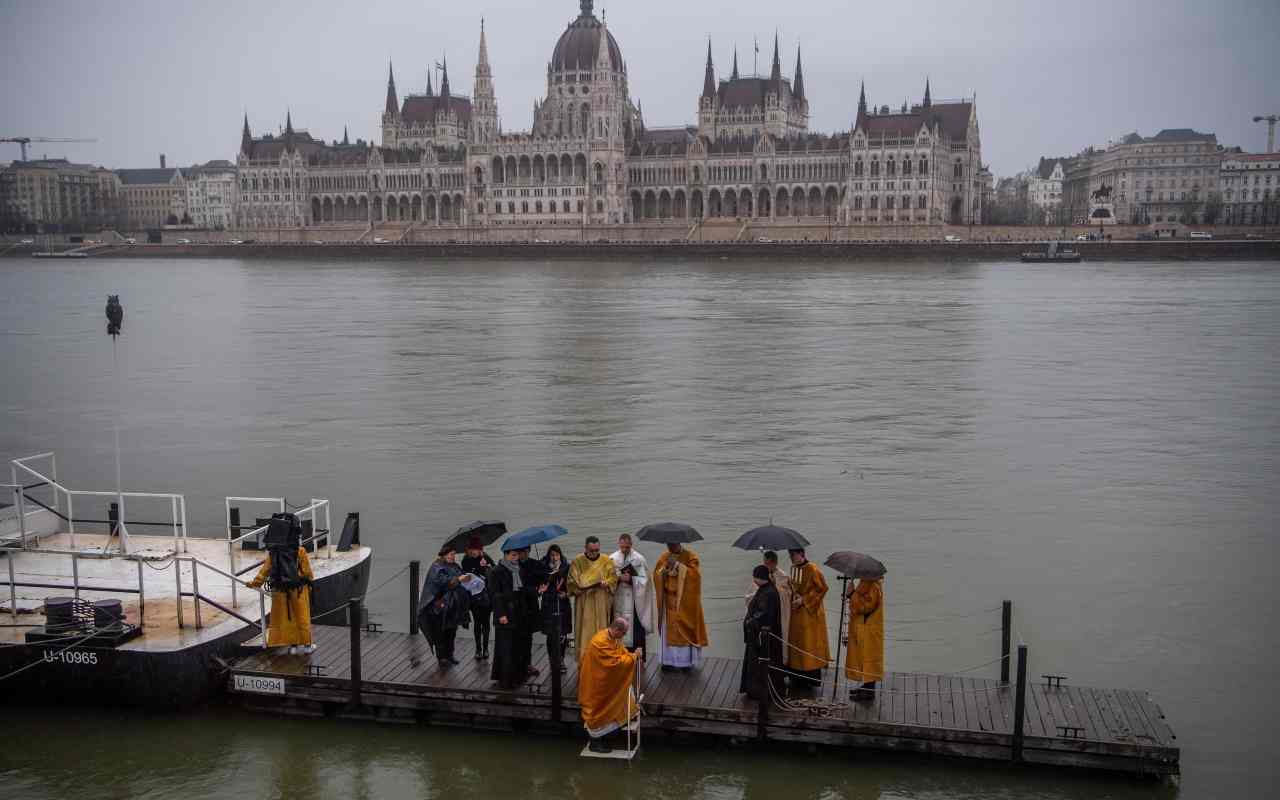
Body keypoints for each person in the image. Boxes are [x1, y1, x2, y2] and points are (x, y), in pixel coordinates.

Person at [247, 515, 315, 655]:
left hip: (280, 590)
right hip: (298, 590)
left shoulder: (274, 552)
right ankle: (307, 645)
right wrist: (310, 582)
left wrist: (254, 583)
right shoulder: (300, 551)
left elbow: (264, 571)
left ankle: (293, 647)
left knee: (287, 619)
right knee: (302, 617)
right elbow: (307, 572)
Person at [577, 617, 640, 754]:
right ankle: (595, 742)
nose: (624, 636)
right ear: (616, 629)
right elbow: (615, 663)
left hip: (604, 682)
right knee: (598, 711)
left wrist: (630, 655)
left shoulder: (612, 638)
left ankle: (609, 733)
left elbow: (621, 654)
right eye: (623, 633)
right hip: (596, 685)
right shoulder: (600, 641)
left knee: (624, 694)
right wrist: (633, 657)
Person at [652, 541, 708, 671]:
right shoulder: (664, 557)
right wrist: (664, 571)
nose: (670, 548)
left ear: (679, 543)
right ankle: (668, 661)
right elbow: (656, 574)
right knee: (669, 631)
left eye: (673, 545)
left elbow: (695, 577)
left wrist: (678, 566)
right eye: (668, 546)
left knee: (684, 630)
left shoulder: (690, 556)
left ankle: (686, 663)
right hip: (669, 600)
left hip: (684, 601)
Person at [417, 545, 471, 667]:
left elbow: (460, 577)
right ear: (444, 554)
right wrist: (458, 579)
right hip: (438, 605)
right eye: (451, 554)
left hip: (452, 604)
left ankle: (450, 655)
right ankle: (442, 657)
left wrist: (467, 579)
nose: (453, 557)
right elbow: (443, 582)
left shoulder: (455, 565)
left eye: (454, 554)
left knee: (451, 631)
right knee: (440, 631)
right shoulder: (436, 567)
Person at [491, 547, 536, 689]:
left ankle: (518, 676)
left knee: (518, 646)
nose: (516, 558)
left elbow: (522, 590)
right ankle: (505, 679)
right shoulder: (497, 571)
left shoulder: (519, 569)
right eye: (513, 555)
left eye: (517, 555)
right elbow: (495, 595)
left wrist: (536, 591)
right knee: (505, 647)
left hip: (518, 613)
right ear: (506, 555)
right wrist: (501, 614)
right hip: (505, 613)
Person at [568, 536, 618, 660]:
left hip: (601, 601)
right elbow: (571, 582)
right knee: (584, 631)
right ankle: (584, 659)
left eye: (597, 550)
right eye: (591, 550)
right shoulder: (577, 561)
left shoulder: (606, 560)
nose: (594, 553)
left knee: (601, 630)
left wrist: (607, 583)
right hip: (584, 602)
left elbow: (613, 578)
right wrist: (584, 584)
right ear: (585, 548)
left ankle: (601, 658)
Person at [786, 548, 830, 689]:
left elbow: (822, 588)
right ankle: (796, 678)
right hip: (796, 613)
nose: (792, 558)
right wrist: (793, 594)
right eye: (790, 555)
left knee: (808, 644)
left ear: (802, 554)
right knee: (796, 644)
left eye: (794, 555)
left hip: (809, 614)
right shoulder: (793, 568)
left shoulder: (812, 569)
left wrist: (804, 600)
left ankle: (810, 679)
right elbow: (793, 587)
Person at [740, 565, 785, 700]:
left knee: (760, 665)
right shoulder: (767, 589)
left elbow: (764, 614)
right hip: (760, 636)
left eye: (754, 577)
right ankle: (756, 689)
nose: (753, 580)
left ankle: (758, 690)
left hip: (763, 638)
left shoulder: (769, 592)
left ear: (759, 577)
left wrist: (750, 622)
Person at [610, 533, 653, 652]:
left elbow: (646, 581)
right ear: (619, 544)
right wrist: (618, 578)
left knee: (636, 629)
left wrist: (631, 580)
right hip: (618, 598)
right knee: (617, 624)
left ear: (631, 545)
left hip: (634, 600)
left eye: (627, 547)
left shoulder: (639, 559)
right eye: (622, 547)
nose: (624, 550)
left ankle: (637, 658)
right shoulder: (612, 558)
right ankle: (617, 653)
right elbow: (607, 579)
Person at [845, 575, 885, 701]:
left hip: (869, 630)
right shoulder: (866, 583)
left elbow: (866, 607)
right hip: (863, 628)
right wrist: (851, 595)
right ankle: (866, 686)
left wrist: (851, 594)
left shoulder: (874, 586)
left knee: (869, 659)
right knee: (863, 658)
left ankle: (869, 692)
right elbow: (860, 601)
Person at [743, 550, 791, 646]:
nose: (766, 565)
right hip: (762, 615)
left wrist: (774, 586)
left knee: (776, 642)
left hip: (777, 615)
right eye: (765, 563)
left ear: (775, 563)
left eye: (768, 563)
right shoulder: (761, 573)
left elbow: (787, 595)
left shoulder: (783, 576)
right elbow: (750, 595)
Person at [460, 537, 496, 660]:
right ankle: (478, 649)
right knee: (477, 623)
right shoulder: (466, 560)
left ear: (481, 549)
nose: (474, 552)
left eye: (477, 549)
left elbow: (494, 573)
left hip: (486, 596)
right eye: (472, 549)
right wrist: (475, 572)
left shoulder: (486, 558)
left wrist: (486, 567)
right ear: (469, 550)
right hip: (473, 596)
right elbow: (465, 576)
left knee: (486, 623)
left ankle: (486, 649)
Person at [518, 548, 550, 676]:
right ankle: (519, 664)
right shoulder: (515, 565)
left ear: (529, 550)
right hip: (519, 605)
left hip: (531, 605)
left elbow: (545, 579)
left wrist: (543, 585)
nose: (523, 553)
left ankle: (528, 663)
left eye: (526, 551)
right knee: (519, 636)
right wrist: (535, 590)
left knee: (528, 636)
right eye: (521, 551)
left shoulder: (536, 564)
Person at [541, 544, 573, 669]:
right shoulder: (543, 566)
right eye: (552, 555)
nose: (554, 557)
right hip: (549, 602)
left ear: (560, 555)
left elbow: (572, 584)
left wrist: (567, 593)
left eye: (556, 555)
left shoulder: (567, 566)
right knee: (550, 633)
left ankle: (561, 659)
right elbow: (540, 584)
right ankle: (551, 658)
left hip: (562, 602)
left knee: (563, 633)